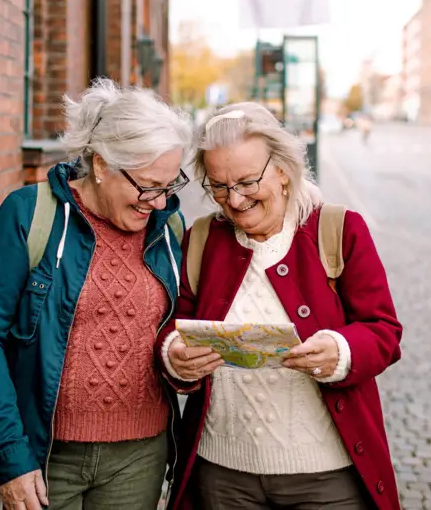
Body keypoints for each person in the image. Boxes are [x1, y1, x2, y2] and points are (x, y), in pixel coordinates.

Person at [0, 78, 193, 510]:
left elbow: (170, 333)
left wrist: (180, 361)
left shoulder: (167, 230)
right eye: (147, 186)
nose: (159, 203)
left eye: (169, 184)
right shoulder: (31, 213)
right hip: (47, 457)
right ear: (101, 165)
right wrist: (9, 456)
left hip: (140, 457)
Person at [155, 102, 403, 510]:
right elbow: (174, 324)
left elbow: (383, 330)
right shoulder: (202, 239)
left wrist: (340, 351)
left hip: (325, 476)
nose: (233, 200)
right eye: (218, 186)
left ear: (284, 169)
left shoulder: (339, 230)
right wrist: (175, 356)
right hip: (221, 473)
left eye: (248, 182)